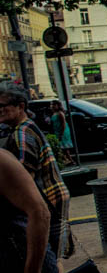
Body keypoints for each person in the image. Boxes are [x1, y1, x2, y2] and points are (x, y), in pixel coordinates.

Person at [0, 83, 71, 259]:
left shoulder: (22, 134)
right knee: (56, 254)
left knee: (49, 257)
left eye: (2, 105)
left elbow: (24, 179)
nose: (0, 110)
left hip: (46, 201)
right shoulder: (26, 127)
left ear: (20, 106)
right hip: (52, 198)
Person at [49, 100, 75, 166]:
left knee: (64, 148)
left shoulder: (60, 113)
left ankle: (70, 161)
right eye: (51, 105)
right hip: (56, 131)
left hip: (62, 132)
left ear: (58, 105)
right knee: (61, 148)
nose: (52, 106)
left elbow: (63, 124)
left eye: (54, 105)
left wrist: (61, 134)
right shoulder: (54, 113)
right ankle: (67, 160)